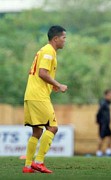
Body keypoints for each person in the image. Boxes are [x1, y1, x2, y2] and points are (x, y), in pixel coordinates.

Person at [22, 25, 68, 173]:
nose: (65, 41)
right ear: (55, 39)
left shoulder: (44, 50)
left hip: (31, 95)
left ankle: (28, 166)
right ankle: (39, 161)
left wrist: (51, 84)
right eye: (63, 38)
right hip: (38, 96)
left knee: (36, 132)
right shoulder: (49, 51)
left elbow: (41, 74)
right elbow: (42, 73)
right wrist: (58, 84)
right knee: (53, 127)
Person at [96, 89, 111, 157]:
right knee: (101, 137)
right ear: (106, 95)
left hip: (106, 123)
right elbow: (98, 112)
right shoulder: (103, 103)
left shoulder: (107, 103)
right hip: (103, 123)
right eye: (110, 95)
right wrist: (98, 120)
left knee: (110, 136)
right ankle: (98, 151)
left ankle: (108, 151)